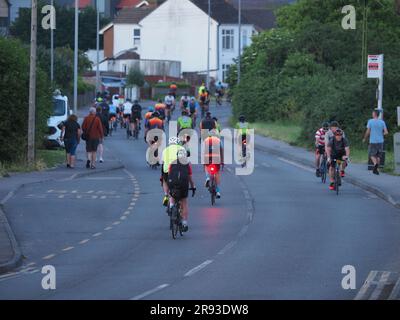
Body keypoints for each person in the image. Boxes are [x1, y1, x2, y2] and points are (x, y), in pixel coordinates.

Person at [167, 149, 196, 232]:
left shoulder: (172, 163)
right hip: (183, 185)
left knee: (172, 194)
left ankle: (172, 205)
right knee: (184, 202)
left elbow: (169, 175)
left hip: (172, 183)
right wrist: (193, 187)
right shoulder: (187, 165)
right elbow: (190, 178)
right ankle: (184, 223)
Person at [161, 137, 187, 207]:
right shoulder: (181, 148)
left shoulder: (165, 150)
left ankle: (166, 195)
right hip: (179, 171)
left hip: (167, 171)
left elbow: (162, 161)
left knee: (164, 180)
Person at [363, 109, 388, 175]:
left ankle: (375, 164)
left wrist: (365, 138)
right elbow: (386, 132)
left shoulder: (370, 121)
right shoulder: (382, 122)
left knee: (371, 155)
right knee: (378, 156)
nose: (372, 114)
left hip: (373, 141)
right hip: (380, 141)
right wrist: (380, 134)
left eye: (372, 113)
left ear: (374, 114)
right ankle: (377, 169)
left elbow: (368, 131)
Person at [203, 130, 224, 198]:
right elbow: (221, 150)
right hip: (216, 158)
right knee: (217, 173)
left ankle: (207, 178)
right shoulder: (218, 140)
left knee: (206, 167)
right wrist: (222, 161)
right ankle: (217, 191)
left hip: (207, 157)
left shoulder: (206, 140)